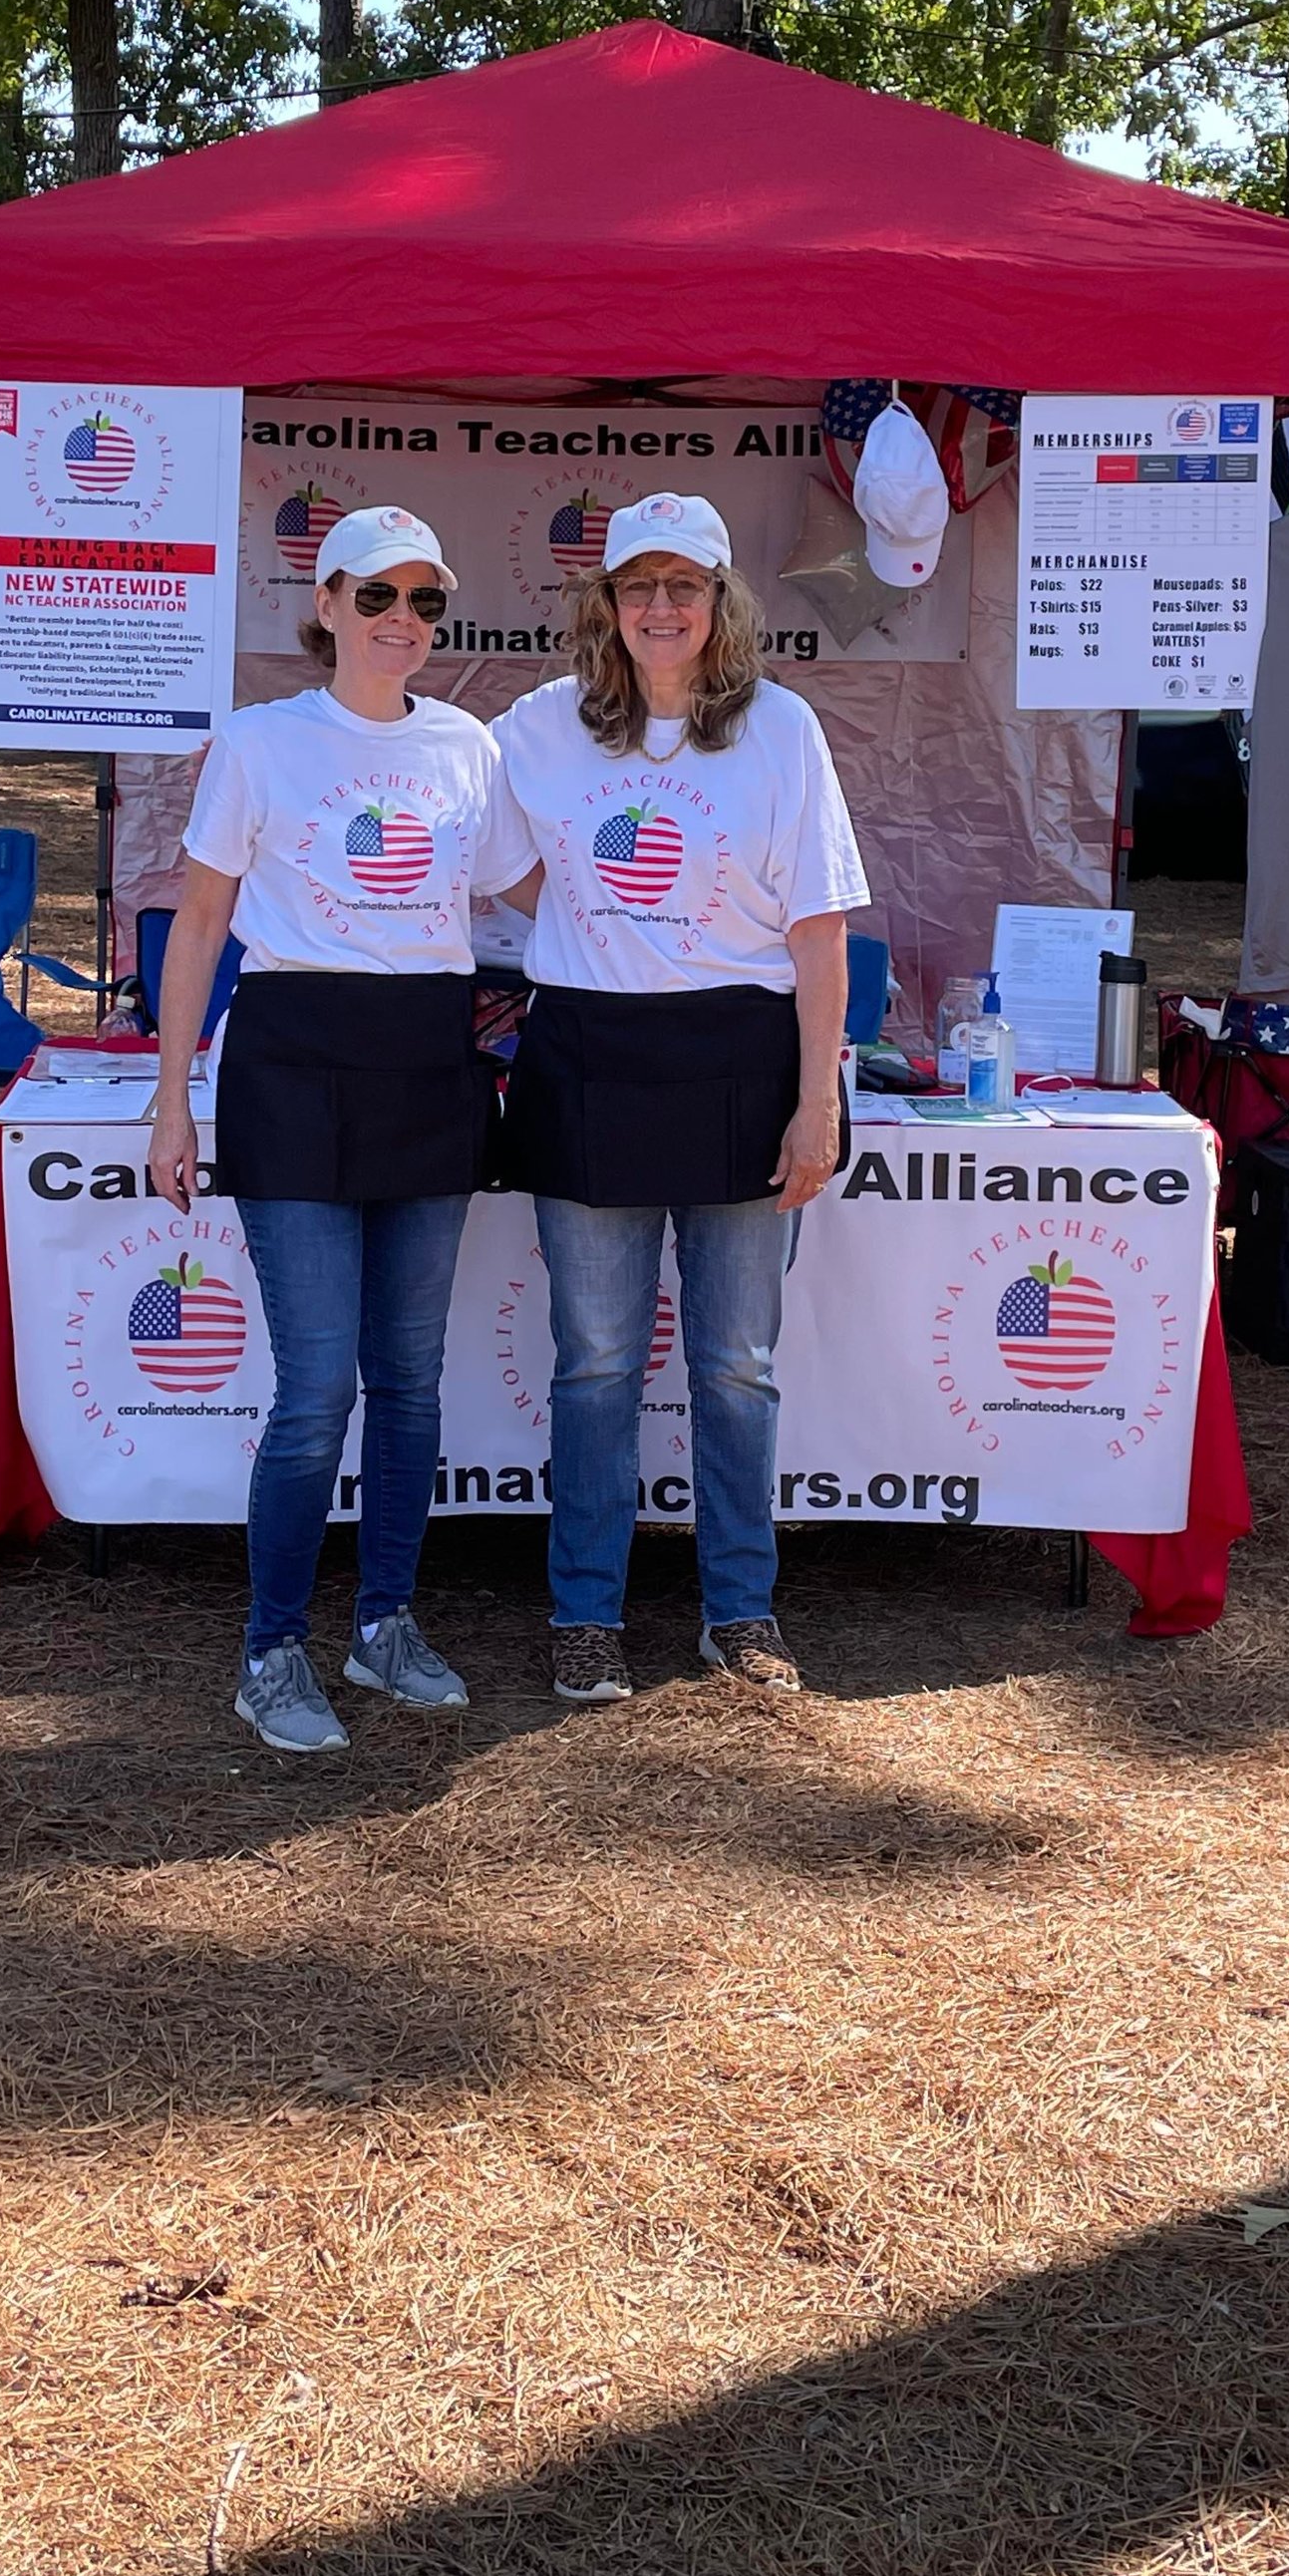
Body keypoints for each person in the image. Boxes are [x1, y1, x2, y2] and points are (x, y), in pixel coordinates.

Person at [149, 508, 527, 1755]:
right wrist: (171, 1100)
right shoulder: (259, 744)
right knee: (316, 1386)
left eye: (426, 604)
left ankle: (385, 1626)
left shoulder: (468, 746)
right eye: (379, 600)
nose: (404, 625)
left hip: (427, 1067)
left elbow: (539, 888)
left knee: (408, 1384)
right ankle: (270, 1650)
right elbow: (199, 927)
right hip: (291, 1067)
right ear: (326, 605)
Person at [483, 492, 869, 1705]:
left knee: (736, 1364)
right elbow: (495, 866)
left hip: (741, 1065)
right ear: (604, 603)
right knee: (594, 1362)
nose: (661, 607)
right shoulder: (536, 727)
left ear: (720, 602)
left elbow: (820, 934)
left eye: (684, 585)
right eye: (637, 585)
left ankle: (739, 1612)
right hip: (589, 1056)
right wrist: (596, 930)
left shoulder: (781, 728)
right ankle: (585, 1613)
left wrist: (818, 1103)